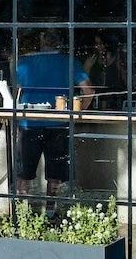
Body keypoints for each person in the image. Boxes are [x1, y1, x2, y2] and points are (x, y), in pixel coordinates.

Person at [14, 31, 89, 196]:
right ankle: (50, 212)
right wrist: (78, 111)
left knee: (24, 174)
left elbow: (16, 94)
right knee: (55, 176)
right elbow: (89, 90)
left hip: (29, 123)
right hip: (59, 123)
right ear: (60, 44)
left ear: (42, 43)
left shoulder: (25, 63)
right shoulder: (70, 62)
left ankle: (21, 212)